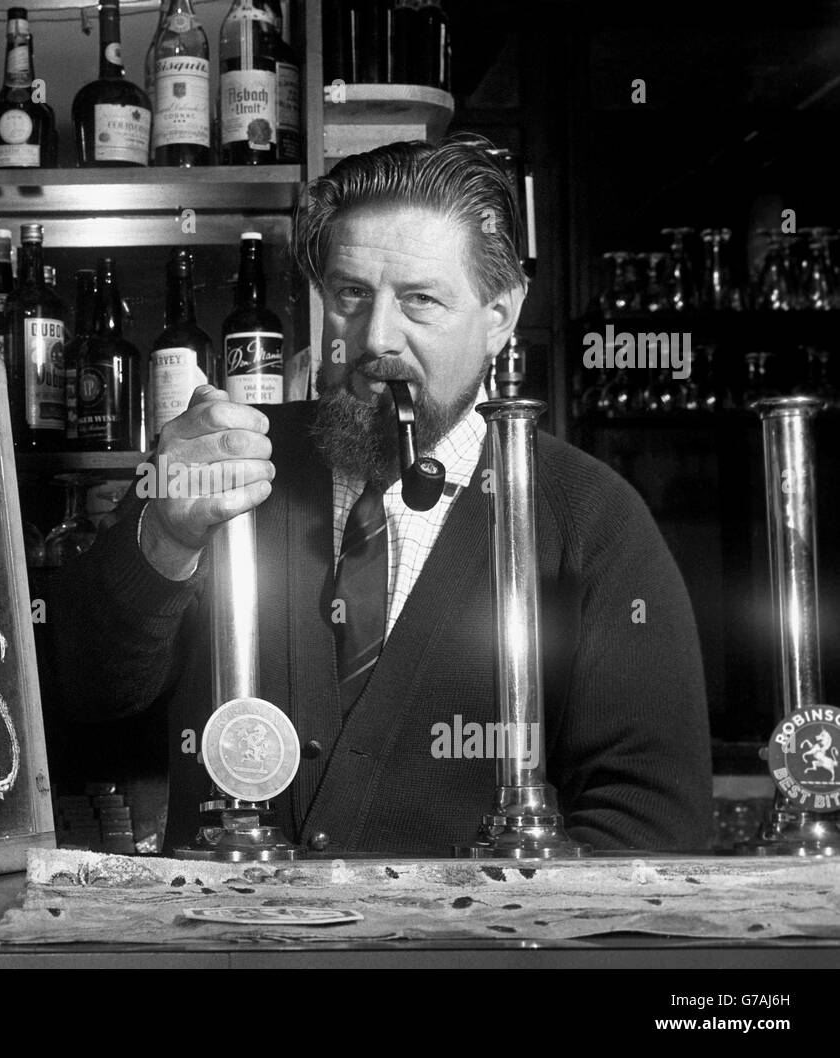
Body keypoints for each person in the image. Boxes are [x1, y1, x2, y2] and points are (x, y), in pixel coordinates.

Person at [52, 135, 713, 856]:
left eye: (421, 301)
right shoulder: (228, 464)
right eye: (350, 295)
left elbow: (652, 824)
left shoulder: (589, 516)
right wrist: (163, 539)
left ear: (499, 313)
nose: (374, 340)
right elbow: (89, 706)